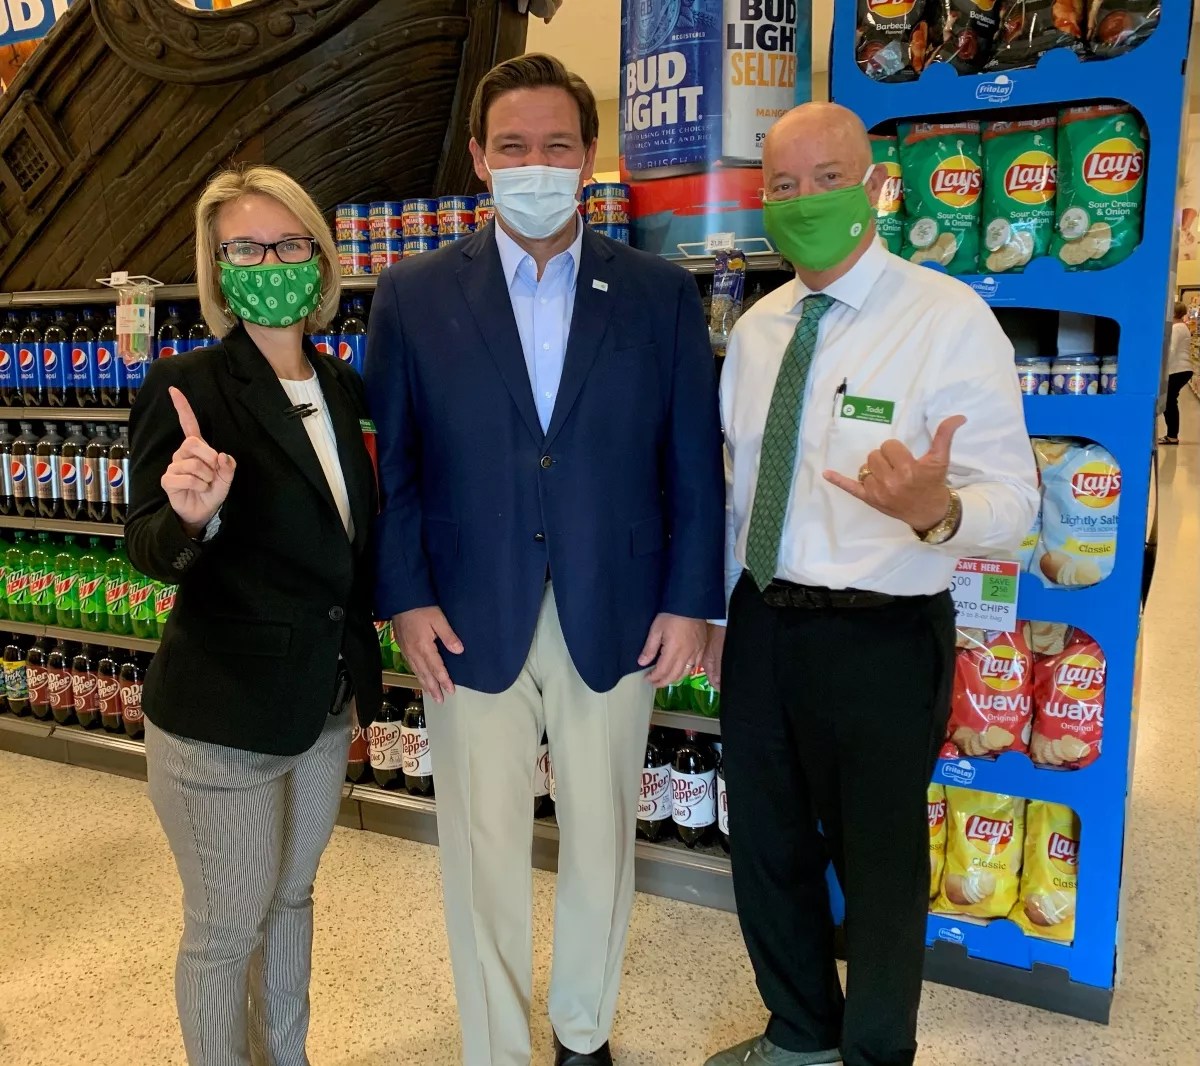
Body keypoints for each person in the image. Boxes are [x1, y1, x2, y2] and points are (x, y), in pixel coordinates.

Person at [365, 53, 724, 1066]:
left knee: (602, 840)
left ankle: (582, 1033)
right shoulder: (413, 294)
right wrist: (405, 597)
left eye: (556, 145)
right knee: (481, 849)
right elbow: (398, 465)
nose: (535, 164)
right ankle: (493, 1047)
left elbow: (692, 462)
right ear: (480, 159)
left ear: (589, 156)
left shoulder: (657, 294)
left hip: (620, 605)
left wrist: (693, 600)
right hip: (464, 611)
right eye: (513, 146)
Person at [700, 103, 1039, 1066]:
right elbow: (737, 492)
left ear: (877, 187)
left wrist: (937, 510)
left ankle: (877, 1054)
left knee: (881, 865)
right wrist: (723, 613)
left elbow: (1017, 499)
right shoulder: (757, 331)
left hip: (883, 635)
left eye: (828, 178)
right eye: (784, 185)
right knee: (766, 848)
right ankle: (800, 1033)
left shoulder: (947, 318)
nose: (805, 199)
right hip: (763, 623)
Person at [126, 165, 382, 1066]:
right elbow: (146, 546)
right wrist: (191, 517)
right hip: (220, 715)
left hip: (320, 701)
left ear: (320, 258)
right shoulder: (187, 386)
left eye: (288, 244)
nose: (270, 263)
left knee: (290, 900)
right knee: (226, 924)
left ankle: (288, 1056)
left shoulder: (342, 387)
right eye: (245, 249)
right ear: (218, 267)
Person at [1160, 301, 1193, 444]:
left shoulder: (1177, 328)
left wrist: (1160, 366)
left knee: (1169, 402)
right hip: (1182, 369)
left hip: (1178, 369)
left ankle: (1172, 436)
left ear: (1173, 313)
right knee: (1170, 401)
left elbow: (1171, 350)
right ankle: (1172, 435)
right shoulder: (1181, 327)